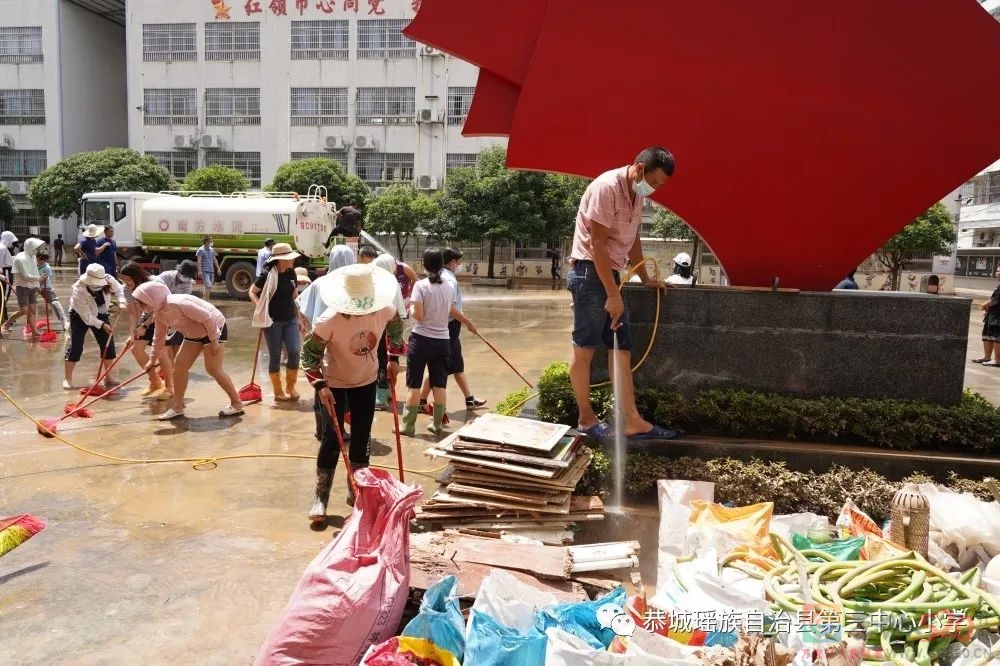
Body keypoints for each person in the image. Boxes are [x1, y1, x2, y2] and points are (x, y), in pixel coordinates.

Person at [567, 146, 678, 441]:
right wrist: (613, 295)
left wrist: (645, 277)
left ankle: (630, 420)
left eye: (659, 186)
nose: (653, 189)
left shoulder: (636, 194)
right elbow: (597, 245)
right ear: (639, 169)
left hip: (607, 275)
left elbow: (633, 237)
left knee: (622, 348)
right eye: (653, 182)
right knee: (585, 350)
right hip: (590, 274)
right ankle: (586, 419)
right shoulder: (606, 187)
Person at [301, 263, 404, 520]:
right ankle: (320, 498)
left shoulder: (384, 309)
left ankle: (356, 493)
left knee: (362, 436)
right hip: (334, 383)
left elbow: (395, 327)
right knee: (332, 439)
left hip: (366, 381)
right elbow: (309, 354)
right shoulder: (330, 320)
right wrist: (320, 386)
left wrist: (393, 358)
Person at [132, 281, 245, 421]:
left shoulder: (179, 303)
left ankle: (236, 403)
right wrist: (152, 359)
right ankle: (177, 407)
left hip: (215, 329)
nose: (141, 306)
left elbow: (208, 318)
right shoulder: (158, 313)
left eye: (142, 302)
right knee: (179, 368)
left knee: (213, 368)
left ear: (152, 298)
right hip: (193, 334)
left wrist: (214, 342)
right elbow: (159, 337)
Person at [399, 248, 478, 437]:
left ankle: (408, 427)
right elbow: (452, 311)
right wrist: (468, 322)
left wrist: (411, 306)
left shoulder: (420, 286)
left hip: (421, 341)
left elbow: (418, 316)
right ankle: (437, 425)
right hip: (443, 341)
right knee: (440, 385)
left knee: (414, 385)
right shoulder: (449, 286)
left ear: (424, 264)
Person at [419, 247, 487, 412]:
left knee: (457, 365)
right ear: (452, 261)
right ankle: (421, 401)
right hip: (447, 328)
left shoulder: (444, 276)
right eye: (459, 261)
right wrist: (468, 322)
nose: (460, 264)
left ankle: (469, 399)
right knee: (438, 368)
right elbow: (451, 309)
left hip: (451, 328)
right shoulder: (448, 279)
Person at [119, 262, 181, 400]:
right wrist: (132, 334)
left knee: (161, 352)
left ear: (137, 276)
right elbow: (133, 313)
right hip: (146, 317)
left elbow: (163, 307)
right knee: (135, 349)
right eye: (123, 280)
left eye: (128, 279)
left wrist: (145, 326)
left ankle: (170, 388)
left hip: (164, 315)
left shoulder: (154, 282)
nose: (126, 283)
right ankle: (155, 382)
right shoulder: (127, 289)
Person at [249, 242, 303, 402]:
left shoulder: (291, 273)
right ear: (280, 260)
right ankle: (278, 390)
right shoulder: (267, 274)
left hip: (290, 318)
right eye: (289, 259)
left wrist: (300, 317)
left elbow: (294, 296)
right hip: (272, 321)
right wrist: (261, 308)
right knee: (275, 355)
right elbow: (252, 292)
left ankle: (290, 386)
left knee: (294, 351)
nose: (292, 261)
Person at [64, 264, 126, 390]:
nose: (96, 286)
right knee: (75, 346)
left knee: (108, 344)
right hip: (79, 315)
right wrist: (102, 324)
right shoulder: (79, 290)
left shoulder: (108, 279)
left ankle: (108, 377)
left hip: (101, 313)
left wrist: (122, 301)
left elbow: (119, 289)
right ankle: (67, 378)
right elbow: (86, 316)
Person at [372, 251, 408, 409]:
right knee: (391, 360)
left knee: (381, 361)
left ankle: (380, 397)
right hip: (394, 328)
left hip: (382, 328)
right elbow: (400, 310)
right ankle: (387, 392)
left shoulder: (379, 281)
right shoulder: (393, 281)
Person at [1, 237, 45, 337]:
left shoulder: (32, 257)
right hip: (22, 287)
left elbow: (34, 271)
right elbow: (26, 276)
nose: (36, 250)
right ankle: (6, 324)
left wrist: (37, 285)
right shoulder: (20, 258)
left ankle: (34, 331)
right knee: (24, 311)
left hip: (32, 287)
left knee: (32, 310)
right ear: (30, 247)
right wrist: (39, 279)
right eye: (35, 248)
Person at [974, 266, 1000, 367]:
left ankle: (997, 360)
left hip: (998, 316)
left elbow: (996, 299)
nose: (996, 272)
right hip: (993, 314)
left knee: (996, 337)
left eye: (998, 271)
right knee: (987, 335)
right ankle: (987, 357)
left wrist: (984, 304)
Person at [36, 252, 68, 331]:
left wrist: (35, 284)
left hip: (45, 288)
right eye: (38, 258)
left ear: (45, 260)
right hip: (35, 287)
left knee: (55, 303)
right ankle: (31, 324)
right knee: (29, 305)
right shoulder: (34, 263)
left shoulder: (46, 267)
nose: (38, 260)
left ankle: (64, 323)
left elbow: (43, 280)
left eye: (41, 259)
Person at [195, 236, 221, 300]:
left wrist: (218, 269)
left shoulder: (211, 250)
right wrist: (200, 271)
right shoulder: (200, 250)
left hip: (211, 271)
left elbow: (214, 260)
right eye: (211, 241)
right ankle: (205, 301)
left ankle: (205, 301)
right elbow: (199, 261)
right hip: (205, 271)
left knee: (208, 287)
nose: (212, 242)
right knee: (208, 286)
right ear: (206, 242)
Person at [1, 231, 16, 322]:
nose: (12, 243)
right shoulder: (3, 248)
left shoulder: (3, 248)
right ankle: (3, 318)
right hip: (5, 271)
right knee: (5, 296)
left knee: (3, 296)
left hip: (6, 270)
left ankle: (4, 317)